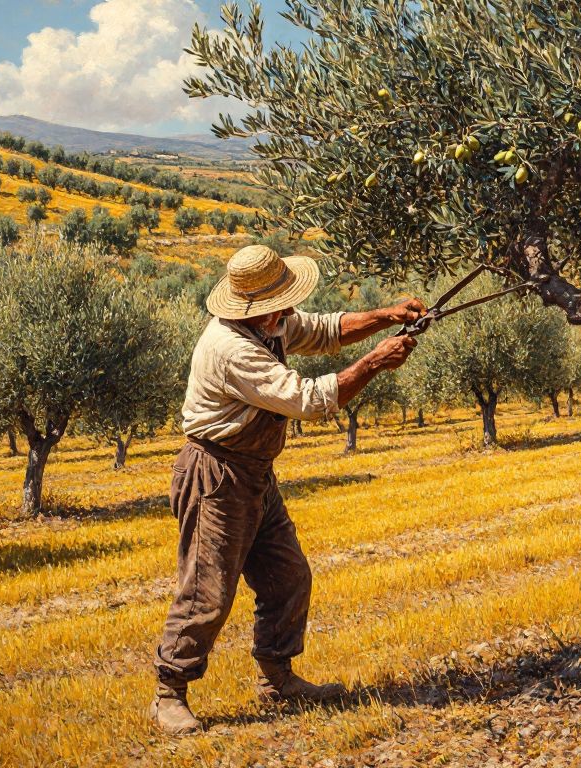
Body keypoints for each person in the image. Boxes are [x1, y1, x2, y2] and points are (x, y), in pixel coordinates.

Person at [150, 244, 423, 736]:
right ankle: (170, 691)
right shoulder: (232, 349)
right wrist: (375, 364)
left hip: (255, 473)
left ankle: (278, 679)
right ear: (254, 307)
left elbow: (324, 331)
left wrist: (385, 316)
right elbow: (306, 399)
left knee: (288, 577)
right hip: (217, 477)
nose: (290, 309)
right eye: (282, 301)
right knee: (206, 593)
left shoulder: (270, 325)